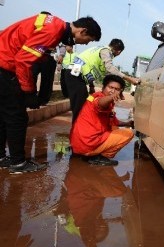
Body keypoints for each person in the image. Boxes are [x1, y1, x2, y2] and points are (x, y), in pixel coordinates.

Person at [0, 12, 101, 174]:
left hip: (4, 59)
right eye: (87, 40)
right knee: (16, 117)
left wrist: (41, 59)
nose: (83, 44)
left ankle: (2, 157)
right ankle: (18, 163)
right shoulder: (53, 31)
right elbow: (23, 60)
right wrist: (29, 92)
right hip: (4, 65)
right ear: (82, 31)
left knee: (4, 114)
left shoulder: (55, 24)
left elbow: (27, 46)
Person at [64, 38, 140, 122]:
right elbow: (110, 68)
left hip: (77, 75)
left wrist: (91, 86)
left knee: (84, 103)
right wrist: (129, 79)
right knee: (79, 106)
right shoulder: (105, 51)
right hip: (75, 73)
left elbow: (89, 66)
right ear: (119, 51)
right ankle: (77, 129)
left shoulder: (100, 50)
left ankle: (80, 126)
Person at [70, 74, 134, 166]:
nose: (113, 91)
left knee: (114, 127)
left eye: (117, 89)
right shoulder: (98, 98)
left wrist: (128, 123)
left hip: (79, 144)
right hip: (87, 144)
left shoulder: (95, 97)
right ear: (103, 87)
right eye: (110, 87)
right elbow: (100, 103)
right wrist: (112, 97)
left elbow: (114, 122)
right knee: (129, 133)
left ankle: (92, 152)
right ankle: (97, 156)